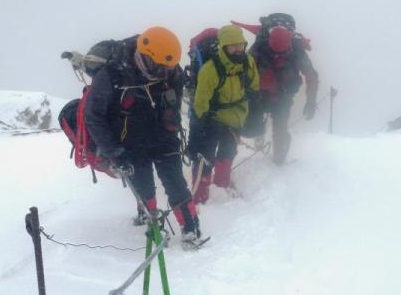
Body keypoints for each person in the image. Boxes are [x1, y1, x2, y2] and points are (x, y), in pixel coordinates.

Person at [83, 26, 203, 248]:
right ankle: (153, 226)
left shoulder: (170, 69)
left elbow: (173, 101)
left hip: (164, 138)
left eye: (168, 68)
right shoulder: (111, 75)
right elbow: (94, 117)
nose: (165, 72)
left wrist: (172, 123)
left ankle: (191, 228)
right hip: (129, 145)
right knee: (143, 186)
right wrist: (115, 153)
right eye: (160, 68)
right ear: (146, 59)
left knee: (176, 184)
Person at [190, 24, 259, 203]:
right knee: (206, 155)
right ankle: (200, 193)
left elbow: (254, 86)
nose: (238, 49)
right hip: (213, 118)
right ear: (224, 46)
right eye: (233, 45)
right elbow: (201, 101)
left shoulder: (248, 61)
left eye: (241, 45)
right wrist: (199, 125)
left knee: (228, 151)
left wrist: (253, 110)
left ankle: (223, 182)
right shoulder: (210, 69)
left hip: (237, 116)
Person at [242, 13, 319, 165]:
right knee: (255, 124)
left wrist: (311, 100)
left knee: (280, 129)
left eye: (281, 52)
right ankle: (260, 136)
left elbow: (311, 76)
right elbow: (244, 71)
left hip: (282, 96)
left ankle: (279, 159)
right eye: (274, 51)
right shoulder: (259, 48)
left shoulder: (297, 50)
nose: (277, 55)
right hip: (261, 94)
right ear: (268, 41)